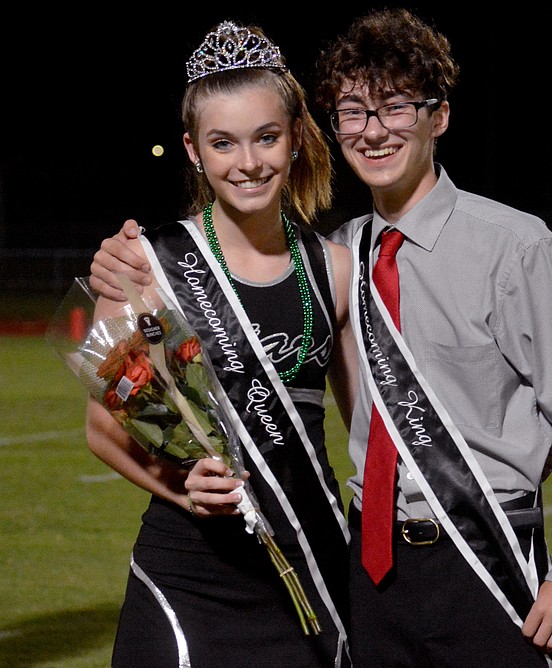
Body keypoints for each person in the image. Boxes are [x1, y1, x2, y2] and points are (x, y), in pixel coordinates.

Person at [91, 8, 552, 667]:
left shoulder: (500, 250)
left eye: (396, 108)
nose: (374, 131)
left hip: (478, 555)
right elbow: (360, 416)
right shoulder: (336, 255)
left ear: (439, 117)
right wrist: (126, 266)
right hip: (367, 580)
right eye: (355, 112)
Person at [85, 20, 357, 667]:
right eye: (224, 143)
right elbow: (102, 425)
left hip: (308, 565)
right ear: (193, 150)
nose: (249, 162)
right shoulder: (142, 265)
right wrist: (185, 487)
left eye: (266, 137)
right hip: (187, 576)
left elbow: (370, 428)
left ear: (294, 140)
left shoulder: (336, 268)